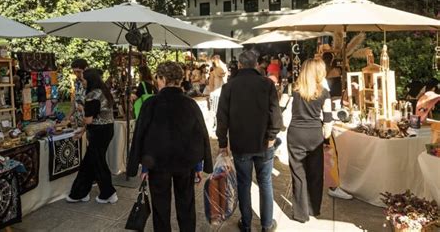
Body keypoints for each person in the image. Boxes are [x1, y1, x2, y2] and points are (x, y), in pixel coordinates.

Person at [127, 61, 213, 232]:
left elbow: (140, 137)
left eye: (158, 78)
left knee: (160, 207)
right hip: (185, 163)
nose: (157, 82)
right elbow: (201, 135)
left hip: (158, 164)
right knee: (186, 203)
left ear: (163, 79)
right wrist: (199, 165)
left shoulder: (150, 104)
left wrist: (140, 167)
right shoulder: (190, 104)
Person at [216, 50, 282, 232]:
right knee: (265, 183)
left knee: (244, 184)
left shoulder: (229, 87)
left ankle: (246, 224)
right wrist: (272, 136)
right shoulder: (267, 84)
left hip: (241, 144)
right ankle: (266, 224)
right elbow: (275, 114)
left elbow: (222, 118)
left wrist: (222, 143)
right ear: (255, 65)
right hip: (264, 143)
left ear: (239, 65)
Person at [287, 58, 333, 223]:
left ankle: (300, 213)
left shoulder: (294, 90)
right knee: (315, 173)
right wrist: (325, 136)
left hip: (295, 134)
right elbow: (328, 120)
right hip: (314, 135)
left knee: (298, 174)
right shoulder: (324, 93)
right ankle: (314, 207)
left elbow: (282, 107)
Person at [67, 68, 117, 204]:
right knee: (90, 162)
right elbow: (96, 116)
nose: (82, 82)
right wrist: (83, 130)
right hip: (106, 129)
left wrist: (82, 110)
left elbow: (89, 119)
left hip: (99, 132)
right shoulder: (104, 91)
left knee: (97, 162)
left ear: (90, 80)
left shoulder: (93, 95)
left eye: (83, 80)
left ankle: (108, 193)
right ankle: (80, 192)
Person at [66, 58, 88, 128]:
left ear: (86, 69)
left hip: (89, 123)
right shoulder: (76, 82)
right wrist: (67, 118)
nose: (76, 74)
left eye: (78, 72)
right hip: (79, 123)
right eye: (74, 72)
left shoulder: (92, 81)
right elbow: (74, 103)